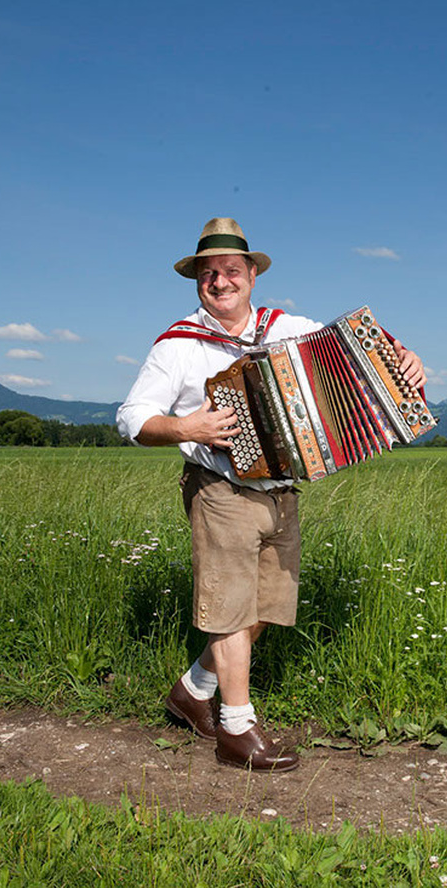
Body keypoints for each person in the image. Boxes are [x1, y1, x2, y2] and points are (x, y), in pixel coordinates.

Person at [116, 217, 426, 772]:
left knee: (262, 609)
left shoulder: (287, 327)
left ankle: (193, 690)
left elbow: (357, 351)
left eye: (231, 270)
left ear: (252, 274)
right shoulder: (178, 346)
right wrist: (189, 427)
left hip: (282, 491)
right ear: (197, 281)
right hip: (220, 488)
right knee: (231, 608)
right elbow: (132, 418)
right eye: (208, 273)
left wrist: (405, 357)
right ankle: (237, 731)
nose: (220, 281)